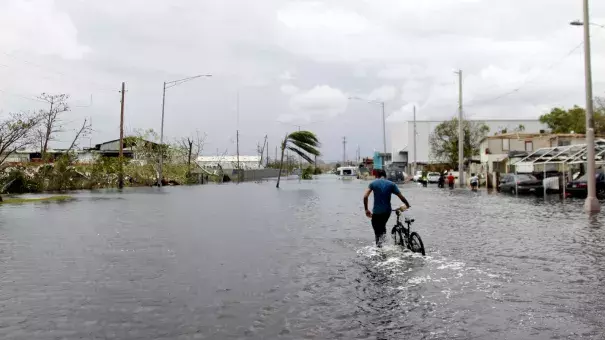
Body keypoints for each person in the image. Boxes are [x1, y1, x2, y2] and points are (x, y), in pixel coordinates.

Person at [363, 169, 411, 247]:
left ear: (377, 176)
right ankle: (383, 241)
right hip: (387, 212)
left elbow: (365, 196)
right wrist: (407, 204)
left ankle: (379, 248)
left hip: (377, 212)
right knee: (383, 225)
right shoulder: (392, 184)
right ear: (385, 176)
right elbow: (401, 197)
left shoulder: (373, 183)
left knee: (377, 231)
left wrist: (366, 209)